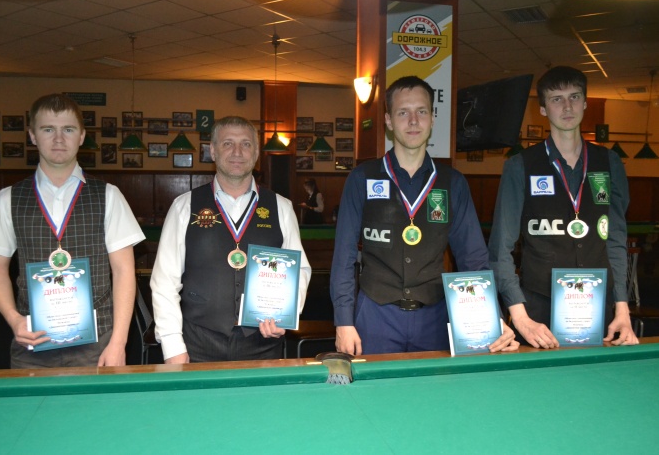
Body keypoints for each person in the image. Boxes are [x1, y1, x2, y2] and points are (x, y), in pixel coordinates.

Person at [330, 76, 519, 355]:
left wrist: (492, 316)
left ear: (432, 119)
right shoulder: (362, 178)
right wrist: (343, 321)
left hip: (436, 318)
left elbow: (473, 259)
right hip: (375, 316)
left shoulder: (452, 183)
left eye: (421, 111)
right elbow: (344, 256)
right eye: (403, 113)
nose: (413, 121)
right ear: (389, 121)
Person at [0, 93, 145, 368]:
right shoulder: (9, 198)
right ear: (32, 135)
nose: (58, 139)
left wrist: (118, 342)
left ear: (81, 136)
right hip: (32, 345)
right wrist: (13, 318)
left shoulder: (109, 195)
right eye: (48, 129)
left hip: (98, 346)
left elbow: (124, 271)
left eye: (68, 129)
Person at [488, 66, 638, 348]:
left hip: (599, 309)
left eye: (574, 97)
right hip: (537, 312)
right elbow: (499, 249)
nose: (567, 106)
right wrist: (520, 317)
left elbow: (616, 241)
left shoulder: (609, 163)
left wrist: (622, 309)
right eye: (557, 99)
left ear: (585, 103)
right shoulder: (520, 166)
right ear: (543, 109)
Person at [151, 116, 312, 363]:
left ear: (256, 153)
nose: (237, 152)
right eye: (228, 143)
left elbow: (299, 270)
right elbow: (164, 280)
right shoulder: (184, 206)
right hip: (197, 344)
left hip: (262, 343)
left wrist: (285, 316)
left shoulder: (281, 207)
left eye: (246, 144)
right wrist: (172, 345)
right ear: (213, 151)